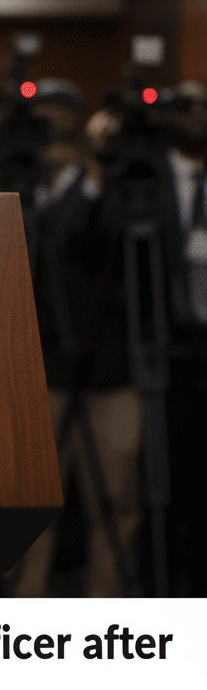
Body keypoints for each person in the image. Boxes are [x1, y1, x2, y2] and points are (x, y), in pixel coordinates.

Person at [7, 78, 142, 597]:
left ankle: (107, 610)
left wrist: (94, 174)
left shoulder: (107, 188)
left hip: (109, 371)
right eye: (38, 120)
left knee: (116, 502)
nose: (48, 131)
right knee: (33, 505)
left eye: (58, 118)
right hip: (38, 372)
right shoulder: (16, 192)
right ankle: (26, 606)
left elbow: (109, 246)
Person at [161, 80, 207, 595]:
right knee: (168, 484)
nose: (198, 115)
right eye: (187, 105)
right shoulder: (146, 182)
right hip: (165, 353)